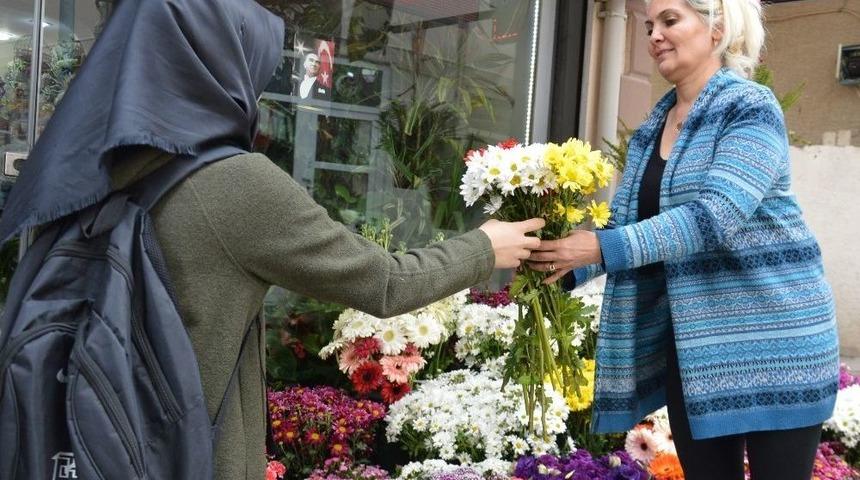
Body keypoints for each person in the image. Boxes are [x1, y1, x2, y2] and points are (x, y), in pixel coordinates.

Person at [0, 0, 543, 479]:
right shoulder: (235, 184)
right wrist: (484, 248)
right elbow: (384, 283)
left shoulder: (91, 170)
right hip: (191, 457)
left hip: (94, 440)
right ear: (214, 65)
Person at [528, 1, 839, 479]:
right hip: (695, 348)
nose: (653, 35)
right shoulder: (654, 127)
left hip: (777, 344)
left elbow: (713, 218)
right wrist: (559, 260)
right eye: (649, 25)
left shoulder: (749, 107)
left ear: (716, 27)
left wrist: (597, 249)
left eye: (670, 20)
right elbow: (625, 228)